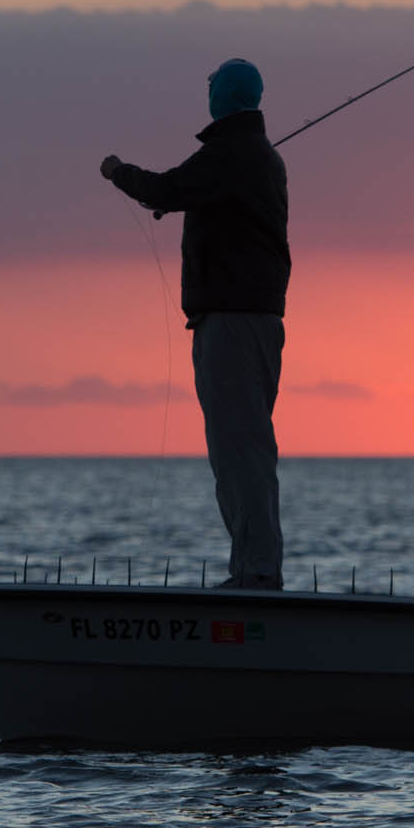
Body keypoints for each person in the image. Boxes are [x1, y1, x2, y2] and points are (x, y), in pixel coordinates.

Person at [100, 58, 291, 588]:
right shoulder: (250, 157)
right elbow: (190, 191)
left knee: (240, 447)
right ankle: (253, 567)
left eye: (211, 88)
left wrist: (117, 171)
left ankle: (257, 573)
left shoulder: (232, 154)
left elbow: (162, 190)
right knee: (241, 445)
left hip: (233, 321)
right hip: (245, 319)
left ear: (224, 97)